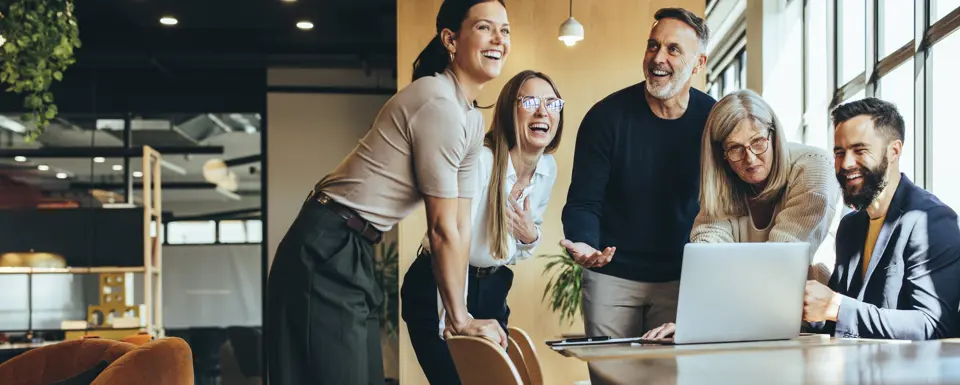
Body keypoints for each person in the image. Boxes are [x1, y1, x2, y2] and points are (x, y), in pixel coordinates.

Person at [265, 1, 511, 383]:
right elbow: (441, 229)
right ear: (450, 39)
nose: (499, 39)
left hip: (356, 245)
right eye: (484, 27)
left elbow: (460, 225)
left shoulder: (471, 120)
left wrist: (456, 315)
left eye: (505, 30)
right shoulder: (437, 102)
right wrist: (461, 319)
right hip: (326, 244)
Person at [559, 7, 716, 383]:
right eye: (653, 45)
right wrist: (585, 243)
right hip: (612, 278)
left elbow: (729, 201)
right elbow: (583, 202)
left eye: (673, 50)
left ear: (698, 64)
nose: (658, 57)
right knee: (612, 380)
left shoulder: (714, 120)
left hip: (682, 280)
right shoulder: (605, 117)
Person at [402, 70, 563, 384]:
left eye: (552, 103)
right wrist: (455, 317)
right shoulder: (482, 162)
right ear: (509, 110)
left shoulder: (547, 168)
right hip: (441, 282)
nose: (543, 112)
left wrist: (530, 236)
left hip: (492, 286)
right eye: (530, 102)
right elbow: (450, 241)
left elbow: (516, 251)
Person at [640, 89, 842, 340]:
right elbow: (709, 257)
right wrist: (695, 322)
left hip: (809, 323)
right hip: (744, 319)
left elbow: (779, 264)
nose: (750, 159)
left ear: (774, 135)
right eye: (735, 148)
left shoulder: (814, 168)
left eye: (758, 142)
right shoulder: (722, 182)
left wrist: (706, 322)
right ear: (721, 155)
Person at [802, 98, 960, 340]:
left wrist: (836, 307)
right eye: (839, 152)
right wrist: (803, 309)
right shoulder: (850, 226)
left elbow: (932, 324)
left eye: (860, 150)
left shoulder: (931, 221)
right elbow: (837, 318)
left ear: (894, 151)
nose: (846, 163)